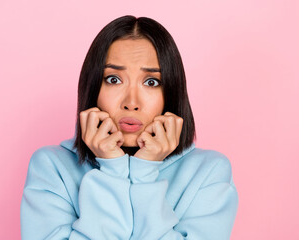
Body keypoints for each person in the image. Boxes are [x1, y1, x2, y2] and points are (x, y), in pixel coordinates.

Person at [20, 15, 238, 240]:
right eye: (114, 79)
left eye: (151, 82)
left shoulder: (209, 172)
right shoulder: (51, 166)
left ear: (171, 92)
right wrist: (112, 166)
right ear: (93, 87)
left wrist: (145, 170)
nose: (131, 102)